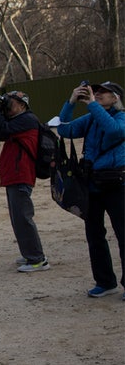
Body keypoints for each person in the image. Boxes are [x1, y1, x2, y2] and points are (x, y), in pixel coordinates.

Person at [57, 80, 125, 298]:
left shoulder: (121, 117)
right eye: (96, 92)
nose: (98, 95)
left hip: (117, 185)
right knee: (95, 235)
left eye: (104, 93)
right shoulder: (91, 117)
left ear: (116, 98)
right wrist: (70, 103)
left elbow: (114, 131)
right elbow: (64, 129)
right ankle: (105, 282)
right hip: (93, 185)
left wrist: (93, 105)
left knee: (123, 235)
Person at [0, 91, 49, 272]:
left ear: (22, 105)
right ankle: (30, 253)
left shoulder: (27, 119)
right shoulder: (19, 121)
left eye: (10, 103)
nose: (6, 106)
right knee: (17, 218)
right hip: (15, 175)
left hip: (21, 174)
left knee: (23, 217)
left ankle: (37, 259)